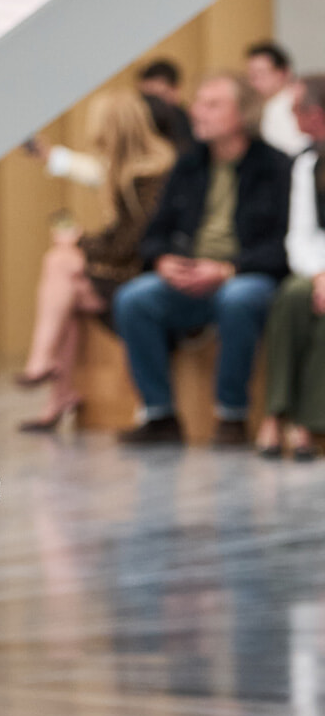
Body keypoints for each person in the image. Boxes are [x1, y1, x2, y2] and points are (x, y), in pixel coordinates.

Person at [113, 71, 290, 445]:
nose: (197, 112)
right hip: (190, 276)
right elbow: (155, 234)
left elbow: (282, 247)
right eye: (198, 103)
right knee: (134, 298)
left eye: (212, 105)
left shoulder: (277, 168)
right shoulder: (188, 164)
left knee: (238, 297)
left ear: (242, 114)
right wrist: (162, 260)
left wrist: (227, 269)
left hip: (246, 274)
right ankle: (159, 414)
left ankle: (232, 416)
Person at [17, 90, 176, 429]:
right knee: (65, 280)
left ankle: (42, 364)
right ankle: (57, 393)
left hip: (143, 277)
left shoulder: (150, 177)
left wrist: (80, 242)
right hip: (131, 272)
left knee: (61, 262)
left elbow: (129, 244)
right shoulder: (135, 169)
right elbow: (90, 173)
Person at [255, 74, 325, 459]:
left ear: (314, 114)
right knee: (291, 298)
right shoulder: (307, 163)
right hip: (317, 268)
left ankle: (307, 422)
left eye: (296, 109)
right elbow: (299, 234)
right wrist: (318, 276)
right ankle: (277, 412)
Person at [246, 40, 312, 156]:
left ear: (283, 72)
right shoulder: (272, 104)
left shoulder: (285, 105)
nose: (254, 82)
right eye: (252, 75)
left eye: (261, 73)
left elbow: (295, 150)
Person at [137, 58, 193, 150]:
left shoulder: (191, 124)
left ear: (175, 91)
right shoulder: (138, 123)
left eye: (158, 96)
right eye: (146, 98)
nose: (152, 103)